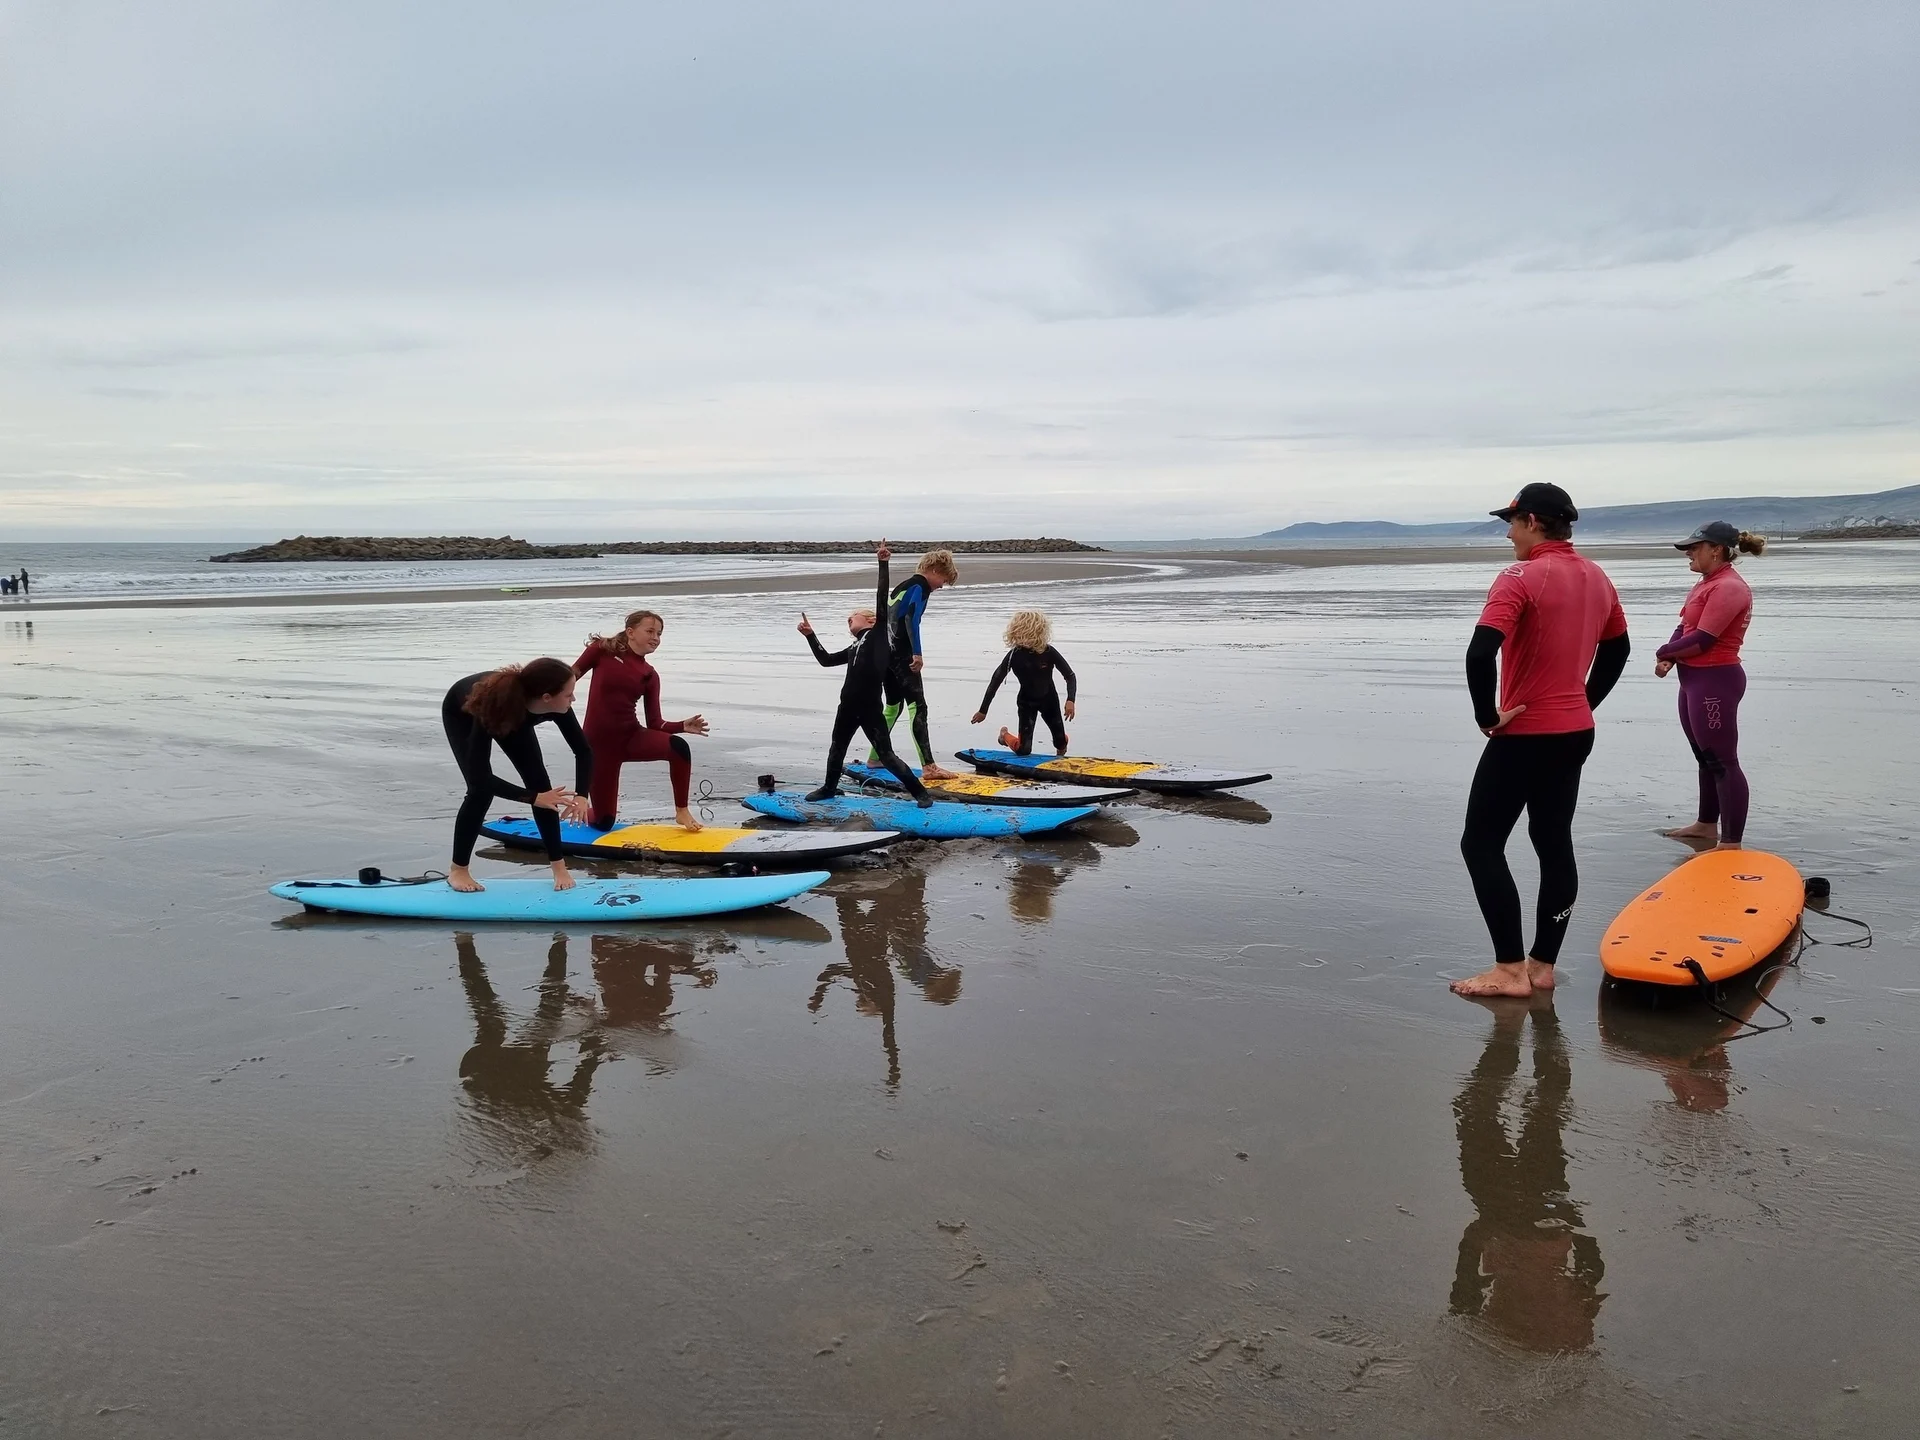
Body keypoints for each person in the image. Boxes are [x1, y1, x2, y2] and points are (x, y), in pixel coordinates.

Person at [1454, 483, 1632, 1000]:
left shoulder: (1520, 575)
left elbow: (1479, 653)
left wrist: (1487, 716)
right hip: (1575, 732)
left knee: (1481, 843)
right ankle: (1542, 965)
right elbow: (1618, 650)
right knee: (1552, 842)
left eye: (1511, 522)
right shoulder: (1596, 576)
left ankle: (1509, 971)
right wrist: (1583, 701)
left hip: (1525, 734)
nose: (1508, 533)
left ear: (1532, 520)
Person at [1653, 522, 1765, 849]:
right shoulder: (1706, 583)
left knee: (1722, 760)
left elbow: (1703, 639)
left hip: (1716, 680)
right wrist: (1671, 657)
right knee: (1705, 757)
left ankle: (1730, 844)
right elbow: (1685, 626)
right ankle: (1705, 825)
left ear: (1715, 549)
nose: (1688, 552)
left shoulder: (1729, 587)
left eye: (1694, 547)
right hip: (1692, 680)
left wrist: (1663, 652)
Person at [797, 541, 934, 806]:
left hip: (870, 707)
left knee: (886, 755)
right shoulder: (854, 646)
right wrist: (811, 636)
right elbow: (825, 660)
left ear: (871, 620)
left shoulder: (879, 634)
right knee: (837, 748)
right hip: (847, 705)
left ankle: (921, 793)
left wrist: (883, 563)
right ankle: (829, 788)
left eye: (853, 616)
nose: (849, 619)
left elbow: (881, 597)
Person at [442, 658, 592, 893]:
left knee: (542, 785)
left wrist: (582, 795)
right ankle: (458, 870)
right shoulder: (490, 707)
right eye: (569, 694)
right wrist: (532, 798)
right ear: (546, 697)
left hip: (516, 716)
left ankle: (559, 868)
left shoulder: (558, 705)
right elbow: (480, 776)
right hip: (466, 712)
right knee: (479, 793)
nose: (573, 700)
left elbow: (583, 751)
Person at [573, 610, 709, 834]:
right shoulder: (601, 650)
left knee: (678, 747)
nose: (656, 637)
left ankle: (682, 811)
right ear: (631, 632)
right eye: (650, 631)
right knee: (603, 822)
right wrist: (554, 691)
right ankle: (581, 810)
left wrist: (681, 726)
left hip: (631, 737)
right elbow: (573, 673)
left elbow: (655, 723)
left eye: (659, 633)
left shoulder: (649, 675)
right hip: (599, 747)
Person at [873, 548, 961, 782]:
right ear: (934, 571)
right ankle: (929, 767)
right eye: (943, 580)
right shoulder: (920, 587)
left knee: (893, 706)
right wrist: (917, 653)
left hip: (886, 654)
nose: (941, 586)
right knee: (918, 707)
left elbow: (884, 614)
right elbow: (911, 619)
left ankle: (875, 757)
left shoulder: (901, 586)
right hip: (903, 654)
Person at [971, 608, 1078, 756]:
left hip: (1049, 700)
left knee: (1060, 742)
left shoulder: (1048, 652)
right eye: (1022, 635)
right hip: (1027, 703)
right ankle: (1004, 735)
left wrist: (1070, 700)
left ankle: (1061, 748)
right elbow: (996, 681)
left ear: (1039, 633)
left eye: (1030, 635)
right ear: (1015, 634)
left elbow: (1070, 675)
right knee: (1023, 750)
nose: (1026, 640)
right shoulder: (1013, 656)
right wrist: (983, 710)